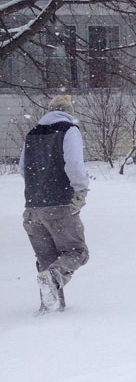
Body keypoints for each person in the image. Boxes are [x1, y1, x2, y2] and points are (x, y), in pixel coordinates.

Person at [19, 94, 90, 312]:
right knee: (77, 252)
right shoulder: (69, 130)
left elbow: (23, 168)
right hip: (59, 205)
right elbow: (74, 164)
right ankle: (54, 276)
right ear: (69, 112)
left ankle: (51, 309)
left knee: (46, 260)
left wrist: (39, 189)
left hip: (32, 209)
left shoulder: (32, 134)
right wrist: (80, 191)